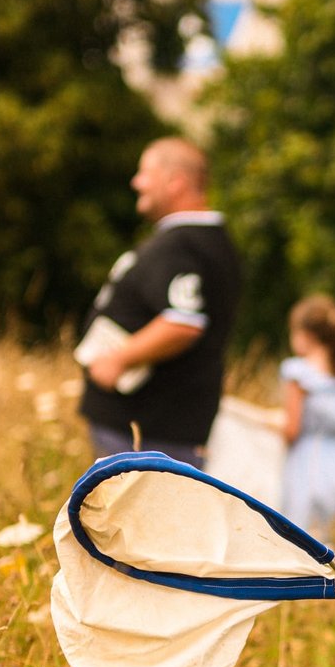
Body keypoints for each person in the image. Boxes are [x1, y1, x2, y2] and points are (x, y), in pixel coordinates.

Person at [77, 139, 242, 466]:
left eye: (145, 172)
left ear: (175, 181)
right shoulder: (206, 241)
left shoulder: (182, 244)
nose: (136, 182)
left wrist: (118, 360)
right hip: (160, 425)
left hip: (147, 427)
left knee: (130, 517)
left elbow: (183, 322)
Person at [279, 294, 335, 536]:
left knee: (299, 535)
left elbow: (292, 430)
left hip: (309, 462)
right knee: (329, 536)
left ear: (306, 336)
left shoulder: (299, 374)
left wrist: (272, 426)